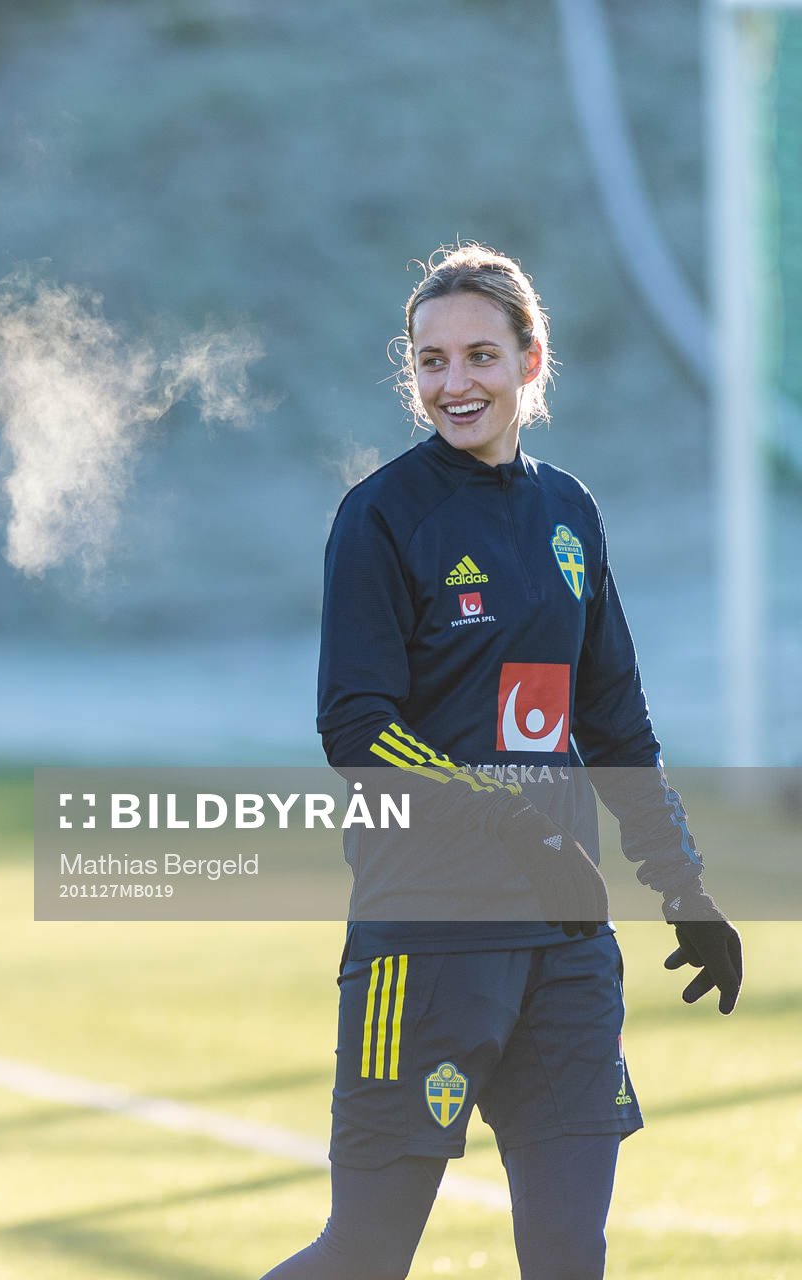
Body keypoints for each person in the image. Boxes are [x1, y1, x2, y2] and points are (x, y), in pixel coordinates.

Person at [263, 244, 745, 1279]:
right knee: (367, 1251)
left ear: (532, 361)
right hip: (426, 938)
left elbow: (617, 725)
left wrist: (683, 887)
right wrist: (519, 827)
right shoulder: (383, 515)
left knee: (570, 1253)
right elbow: (357, 728)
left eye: (480, 354)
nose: (454, 383)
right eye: (430, 361)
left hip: (567, 947)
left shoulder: (570, 513)